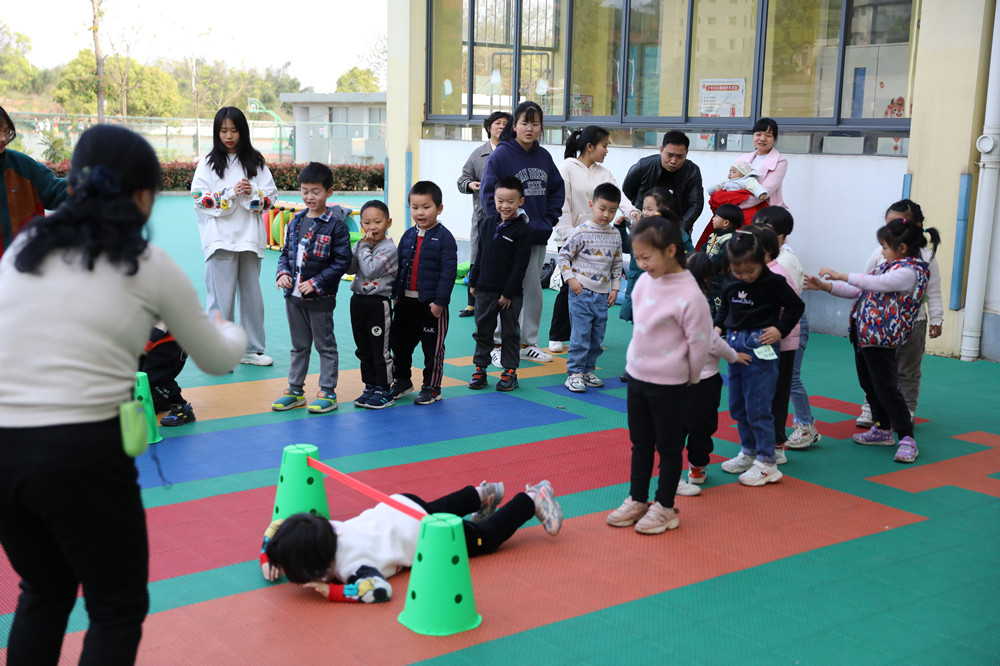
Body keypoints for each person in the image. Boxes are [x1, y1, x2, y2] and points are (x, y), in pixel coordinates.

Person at [0, 125, 247, 664]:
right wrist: (232, 329)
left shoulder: (24, 246)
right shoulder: (142, 261)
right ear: (141, 194)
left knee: (43, 590)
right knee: (115, 605)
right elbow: (216, 357)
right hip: (80, 454)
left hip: (4, 454)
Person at [260, 480, 563, 602]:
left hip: (425, 534)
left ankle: (532, 498)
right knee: (434, 507)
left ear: (313, 567)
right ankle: (482, 493)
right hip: (398, 505)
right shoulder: (327, 528)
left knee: (485, 538)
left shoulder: (352, 564)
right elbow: (276, 529)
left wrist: (332, 591)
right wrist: (269, 557)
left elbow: (379, 591)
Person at [606, 215, 712, 534]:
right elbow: (642, 328)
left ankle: (665, 506)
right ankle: (638, 499)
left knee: (668, 445)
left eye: (645, 257)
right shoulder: (645, 283)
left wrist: (690, 377)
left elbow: (699, 343)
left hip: (671, 383)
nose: (640, 264)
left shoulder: (691, 295)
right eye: (636, 257)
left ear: (669, 250)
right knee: (640, 442)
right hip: (637, 377)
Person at [804, 217, 940, 463]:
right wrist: (825, 286)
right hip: (864, 334)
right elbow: (861, 289)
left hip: (881, 338)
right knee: (869, 384)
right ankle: (883, 427)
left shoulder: (909, 271)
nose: (882, 252)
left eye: (885, 247)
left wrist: (841, 274)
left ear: (902, 248)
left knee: (886, 386)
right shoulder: (887, 266)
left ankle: (907, 438)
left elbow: (876, 283)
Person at [480, 101, 566, 366]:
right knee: (502, 289)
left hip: (536, 236)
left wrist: (548, 220)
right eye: (524, 123)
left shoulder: (544, 157)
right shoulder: (501, 156)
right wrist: (504, 227)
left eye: (535, 123)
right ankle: (497, 343)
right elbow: (487, 196)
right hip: (507, 239)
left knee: (532, 290)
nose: (530, 128)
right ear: (514, 126)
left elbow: (556, 190)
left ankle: (527, 343)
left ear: (541, 127)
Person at [192, 106, 278, 367]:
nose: (228, 136)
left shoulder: (256, 162)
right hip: (219, 240)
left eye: (234, 130)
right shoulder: (208, 164)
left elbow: (270, 198)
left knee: (252, 296)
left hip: (250, 239)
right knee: (220, 299)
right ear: (217, 132)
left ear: (243, 132)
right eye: (223, 130)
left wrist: (252, 192)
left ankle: (252, 349)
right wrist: (230, 192)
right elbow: (199, 199)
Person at [715, 231, 804, 486]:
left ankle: (767, 462)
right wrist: (719, 327)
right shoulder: (731, 279)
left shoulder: (774, 282)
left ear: (763, 259)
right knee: (738, 405)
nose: (744, 277)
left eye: (750, 271)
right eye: (738, 271)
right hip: (734, 345)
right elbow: (725, 308)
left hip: (760, 347)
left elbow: (796, 306)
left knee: (758, 407)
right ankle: (749, 451)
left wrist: (780, 329)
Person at [547, 126, 638, 353]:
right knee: (570, 286)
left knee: (594, 289)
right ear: (590, 147)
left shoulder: (603, 173)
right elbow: (562, 203)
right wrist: (567, 234)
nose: (607, 150)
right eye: (604, 145)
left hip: (599, 239)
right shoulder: (567, 167)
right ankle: (557, 336)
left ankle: (586, 334)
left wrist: (633, 213)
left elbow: (619, 196)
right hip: (572, 237)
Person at [272, 163, 352, 414]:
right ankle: (295, 391)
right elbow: (286, 254)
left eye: (315, 191)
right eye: (305, 191)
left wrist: (316, 283)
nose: (309, 197)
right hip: (293, 297)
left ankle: (327, 392)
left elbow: (342, 262)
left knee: (325, 345)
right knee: (299, 345)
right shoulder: (295, 221)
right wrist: (282, 274)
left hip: (320, 298)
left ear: (329, 192)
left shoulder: (336, 225)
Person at [855, 199, 943, 427]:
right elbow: (865, 282)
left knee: (908, 370)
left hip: (914, 323)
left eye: (899, 224)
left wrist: (937, 318)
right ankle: (871, 408)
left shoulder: (927, 258)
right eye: (888, 225)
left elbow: (933, 290)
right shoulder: (880, 253)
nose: (891, 232)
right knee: (878, 367)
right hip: (881, 325)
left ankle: (907, 409)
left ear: (916, 227)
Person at [681, 252, 751, 492]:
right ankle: (697, 466)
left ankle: (674, 469)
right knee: (702, 425)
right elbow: (711, 340)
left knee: (676, 425)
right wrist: (733, 355)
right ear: (708, 278)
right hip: (703, 378)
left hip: (677, 377)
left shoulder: (676, 298)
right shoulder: (700, 301)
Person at [755, 206, 821, 450]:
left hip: (788, 325)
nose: (761, 233)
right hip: (772, 325)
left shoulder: (785, 260)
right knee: (772, 380)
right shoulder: (764, 257)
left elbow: (790, 301)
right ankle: (772, 431)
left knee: (789, 378)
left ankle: (806, 425)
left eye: (767, 229)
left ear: (783, 235)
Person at [390, 181, 458, 405]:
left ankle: (432, 386)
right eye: (415, 207)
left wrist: (439, 302)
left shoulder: (445, 238)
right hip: (405, 303)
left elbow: (448, 273)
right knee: (400, 344)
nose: (420, 212)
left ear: (439, 208)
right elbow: (400, 267)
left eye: (426, 207)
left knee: (433, 349)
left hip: (431, 305)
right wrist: (397, 295)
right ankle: (402, 380)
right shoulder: (408, 235)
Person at [618, 188, 694, 382]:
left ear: (666, 210)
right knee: (640, 327)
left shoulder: (676, 232)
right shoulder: (641, 229)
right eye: (644, 208)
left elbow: (690, 256)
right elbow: (629, 247)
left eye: (650, 208)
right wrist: (620, 228)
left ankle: (662, 365)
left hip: (664, 289)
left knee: (662, 329)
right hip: (640, 284)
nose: (645, 212)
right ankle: (636, 365)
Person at [468, 176, 532, 392]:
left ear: (520, 202)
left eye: (511, 202)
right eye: (500, 201)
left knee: (509, 332)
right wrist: (473, 281)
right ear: (493, 200)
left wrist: (507, 293)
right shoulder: (486, 223)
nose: (505, 206)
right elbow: (480, 255)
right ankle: (480, 370)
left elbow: (519, 267)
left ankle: (510, 372)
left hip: (509, 294)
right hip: (485, 289)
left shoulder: (523, 230)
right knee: (483, 330)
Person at [558, 182, 623, 393]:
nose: (606, 214)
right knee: (580, 335)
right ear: (591, 205)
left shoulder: (615, 235)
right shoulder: (581, 232)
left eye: (612, 210)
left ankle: (588, 370)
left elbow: (617, 263)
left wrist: (615, 288)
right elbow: (563, 256)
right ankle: (574, 373)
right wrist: (571, 280)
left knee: (597, 336)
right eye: (602, 208)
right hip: (581, 292)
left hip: (603, 295)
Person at [750, 223, 800, 466]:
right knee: (759, 395)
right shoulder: (754, 273)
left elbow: (794, 307)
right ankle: (757, 446)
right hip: (757, 346)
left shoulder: (778, 275)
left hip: (781, 346)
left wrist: (779, 330)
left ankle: (777, 446)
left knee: (776, 395)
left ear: (766, 250)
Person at [456, 111, 512, 318]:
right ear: (489, 127)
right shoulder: (478, 154)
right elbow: (462, 180)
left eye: (506, 123)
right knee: (476, 254)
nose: (501, 127)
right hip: (482, 215)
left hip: (508, 216)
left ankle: (502, 299)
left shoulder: (513, 154)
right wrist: (470, 185)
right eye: (497, 123)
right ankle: (472, 303)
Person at [348, 200, 398, 409]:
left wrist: (364, 248)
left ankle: (385, 389)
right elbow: (351, 269)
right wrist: (357, 247)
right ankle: (370, 385)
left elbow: (369, 270)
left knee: (380, 349)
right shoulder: (362, 245)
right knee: (363, 348)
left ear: (388, 222)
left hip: (379, 304)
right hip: (358, 301)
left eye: (377, 221)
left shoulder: (389, 249)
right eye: (367, 223)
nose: (372, 227)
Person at [0, 105, 68, 258]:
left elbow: (56, 191)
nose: (3, 138)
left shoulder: (22, 166)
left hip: (24, 265)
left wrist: (90, 185)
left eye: (6, 131)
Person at [621, 130, 704, 234]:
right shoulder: (643, 166)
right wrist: (635, 219)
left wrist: (681, 228)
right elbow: (626, 194)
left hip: (677, 228)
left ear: (686, 153)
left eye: (679, 156)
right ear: (661, 150)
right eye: (669, 155)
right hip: (643, 227)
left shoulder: (692, 171)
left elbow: (696, 204)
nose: (673, 161)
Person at [139, 324, 195, 427]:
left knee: (154, 376)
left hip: (171, 340)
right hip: (151, 339)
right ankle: (159, 401)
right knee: (139, 372)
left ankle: (181, 406)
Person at [703, 203, 744, 319]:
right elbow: (704, 248)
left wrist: (704, 265)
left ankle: (721, 328)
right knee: (708, 303)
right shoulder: (713, 235)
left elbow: (721, 258)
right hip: (710, 276)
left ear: (726, 223)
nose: (713, 218)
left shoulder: (730, 239)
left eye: (716, 216)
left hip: (721, 278)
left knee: (719, 304)